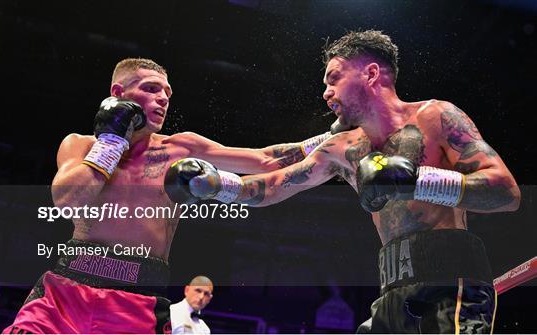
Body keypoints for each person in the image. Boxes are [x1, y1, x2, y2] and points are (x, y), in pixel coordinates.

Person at [169, 30, 521, 333]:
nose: (326, 92)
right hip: (392, 286)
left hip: (452, 277)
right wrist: (215, 186)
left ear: (370, 73)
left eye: (333, 77)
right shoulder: (343, 148)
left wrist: (416, 180)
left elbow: (506, 192)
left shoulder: (437, 116)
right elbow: (273, 182)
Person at [2, 58, 334, 334]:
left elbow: (266, 159)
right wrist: (111, 144)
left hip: (137, 299)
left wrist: (338, 136)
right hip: (65, 292)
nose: (163, 97)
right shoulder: (81, 144)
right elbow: (67, 201)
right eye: (150, 88)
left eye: (167, 92)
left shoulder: (180, 148)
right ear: (119, 93)